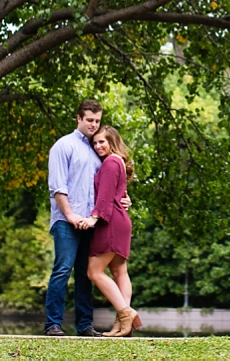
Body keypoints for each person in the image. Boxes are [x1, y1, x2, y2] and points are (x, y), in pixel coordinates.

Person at [44, 99, 113, 337]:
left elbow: (107, 187)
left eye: (97, 121)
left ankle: (85, 326)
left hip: (89, 222)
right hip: (66, 221)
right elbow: (57, 187)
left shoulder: (97, 151)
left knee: (86, 273)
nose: (94, 125)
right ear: (79, 119)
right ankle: (53, 324)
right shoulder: (63, 146)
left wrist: (124, 199)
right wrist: (71, 215)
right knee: (63, 269)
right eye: (89, 120)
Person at [77, 125, 140, 337]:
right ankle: (122, 324)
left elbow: (104, 196)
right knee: (119, 271)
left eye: (102, 141)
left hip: (110, 221)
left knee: (93, 271)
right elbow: (117, 193)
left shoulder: (111, 162)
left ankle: (125, 314)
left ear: (112, 141)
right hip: (120, 219)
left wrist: (93, 218)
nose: (97, 146)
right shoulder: (118, 162)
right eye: (95, 143)